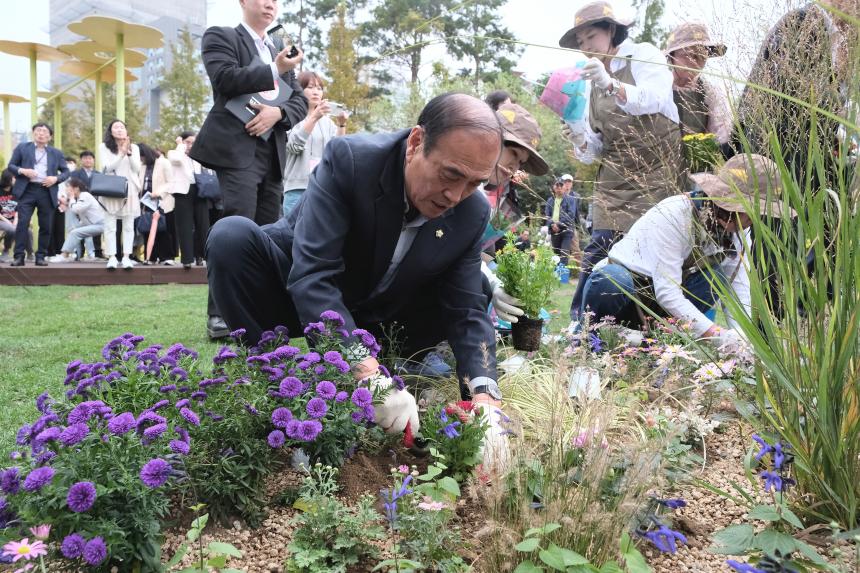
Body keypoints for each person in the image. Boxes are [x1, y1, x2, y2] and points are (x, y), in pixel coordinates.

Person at [207, 93, 513, 469]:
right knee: (230, 237)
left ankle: (402, 377)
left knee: (474, 287)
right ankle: (268, 376)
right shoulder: (351, 162)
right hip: (296, 287)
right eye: (450, 175)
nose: (455, 196)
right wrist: (366, 372)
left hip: (381, 312)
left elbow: (466, 311)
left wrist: (485, 399)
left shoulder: (470, 211)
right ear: (416, 143)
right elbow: (313, 274)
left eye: (473, 183)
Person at [580, 154, 793, 349]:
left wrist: (743, 338)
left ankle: (654, 342)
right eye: (750, 212)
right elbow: (668, 292)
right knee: (614, 278)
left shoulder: (738, 228)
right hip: (626, 293)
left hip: (660, 307)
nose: (753, 220)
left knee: (716, 277)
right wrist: (717, 334)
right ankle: (591, 337)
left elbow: (737, 286)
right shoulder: (674, 214)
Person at [560, 1, 682, 327]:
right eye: (581, 43)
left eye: (591, 37)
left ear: (611, 30)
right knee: (600, 251)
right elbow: (597, 148)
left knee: (649, 256)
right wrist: (577, 135)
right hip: (613, 182)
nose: (586, 47)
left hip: (656, 180)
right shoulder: (590, 80)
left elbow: (655, 98)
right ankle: (582, 325)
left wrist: (610, 83)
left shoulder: (643, 55)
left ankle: (645, 327)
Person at [190, 0, 308, 339]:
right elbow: (224, 79)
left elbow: (298, 101)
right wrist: (273, 68)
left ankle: (265, 316)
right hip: (236, 150)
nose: (270, 4)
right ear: (243, 2)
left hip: (271, 155)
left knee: (271, 231)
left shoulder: (280, 50)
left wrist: (278, 114)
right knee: (234, 226)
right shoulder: (222, 36)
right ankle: (220, 316)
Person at [282, 71, 348, 216]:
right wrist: (314, 117)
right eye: (311, 87)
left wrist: (341, 126)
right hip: (296, 189)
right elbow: (293, 146)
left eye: (319, 88)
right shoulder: (291, 116)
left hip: (322, 189)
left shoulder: (328, 123)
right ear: (299, 89)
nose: (316, 92)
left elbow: (337, 152)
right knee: (291, 236)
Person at [6, 122, 70, 266]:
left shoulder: (56, 153)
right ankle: (19, 256)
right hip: (27, 190)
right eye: (38, 130)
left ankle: (41, 255)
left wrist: (56, 178)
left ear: (50, 136)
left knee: (46, 225)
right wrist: (23, 171)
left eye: (44, 131)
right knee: (22, 223)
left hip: (46, 190)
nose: (41, 133)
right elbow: (11, 166)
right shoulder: (23, 147)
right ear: (33, 133)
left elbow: (66, 172)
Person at [665, 23, 731, 147]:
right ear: (672, 56)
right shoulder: (658, 87)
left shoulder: (710, 92)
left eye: (701, 57)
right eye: (688, 55)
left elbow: (722, 134)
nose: (694, 63)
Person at [98, 119, 142, 270]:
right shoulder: (104, 147)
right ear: (110, 131)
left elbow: (137, 168)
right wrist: (121, 154)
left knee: (129, 226)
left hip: (129, 188)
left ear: (126, 131)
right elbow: (107, 168)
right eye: (115, 127)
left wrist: (128, 153)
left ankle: (126, 257)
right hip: (111, 188)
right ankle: (111, 257)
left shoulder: (134, 147)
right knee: (110, 225)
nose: (119, 130)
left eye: (122, 127)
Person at [169, 132, 209, 268]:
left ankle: (201, 256)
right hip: (182, 192)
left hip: (201, 190)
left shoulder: (200, 154)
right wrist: (180, 145)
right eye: (188, 142)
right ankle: (187, 259)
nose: (190, 145)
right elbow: (177, 159)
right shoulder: (174, 153)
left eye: (193, 142)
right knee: (184, 226)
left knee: (202, 225)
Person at [45, 178, 105, 263]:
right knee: (73, 230)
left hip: (100, 225)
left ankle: (64, 255)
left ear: (76, 189)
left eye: (68, 187)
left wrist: (72, 198)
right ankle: (77, 255)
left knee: (75, 232)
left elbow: (76, 209)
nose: (66, 190)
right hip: (92, 224)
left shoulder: (85, 195)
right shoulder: (81, 196)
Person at [138, 143, 178, 265]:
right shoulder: (142, 166)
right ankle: (150, 256)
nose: (141, 159)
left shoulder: (163, 162)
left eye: (142, 156)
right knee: (148, 229)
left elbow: (171, 182)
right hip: (146, 202)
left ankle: (167, 256)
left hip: (162, 201)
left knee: (164, 229)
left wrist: (158, 193)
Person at [544, 178, 579, 267]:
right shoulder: (550, 200)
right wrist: (552, 224)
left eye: (561, 185)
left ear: (564, 187)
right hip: (554, 230)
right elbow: (547, 215)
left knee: (564, 253)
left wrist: (558, 224)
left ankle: (562, 275)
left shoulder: (570, 199)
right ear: (553, 187)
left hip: (566, 230)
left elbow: (571, 214)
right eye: (557, 185)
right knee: (556, 254)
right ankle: (557, 275)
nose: (559, 187)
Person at [47, 156, 77, 257]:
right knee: (51, 227)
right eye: (67, 162)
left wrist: (67, 201)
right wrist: (61, 201)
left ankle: (62, 251)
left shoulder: (72, 176)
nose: (69, 164)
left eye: (71, 162)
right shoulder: (54, 174)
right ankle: (50, 252)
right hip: (53, 203)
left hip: (68, 205)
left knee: (62, 229)